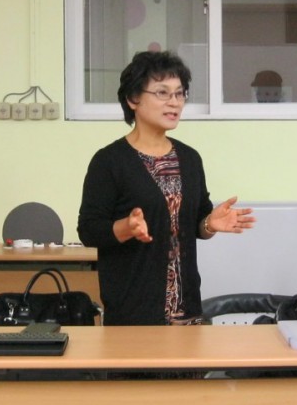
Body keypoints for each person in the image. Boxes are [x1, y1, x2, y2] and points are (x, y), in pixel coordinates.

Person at [78, 51, 255, 326]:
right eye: (162, 93)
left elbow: (197, 224)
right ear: (133, 99)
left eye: (180, 94)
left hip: (188, 310)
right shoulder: (109, 161)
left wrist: (210, 223)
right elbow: (89, 230)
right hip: (133, 312)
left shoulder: (189, 158)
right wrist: (126, 227)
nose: (174, 102)